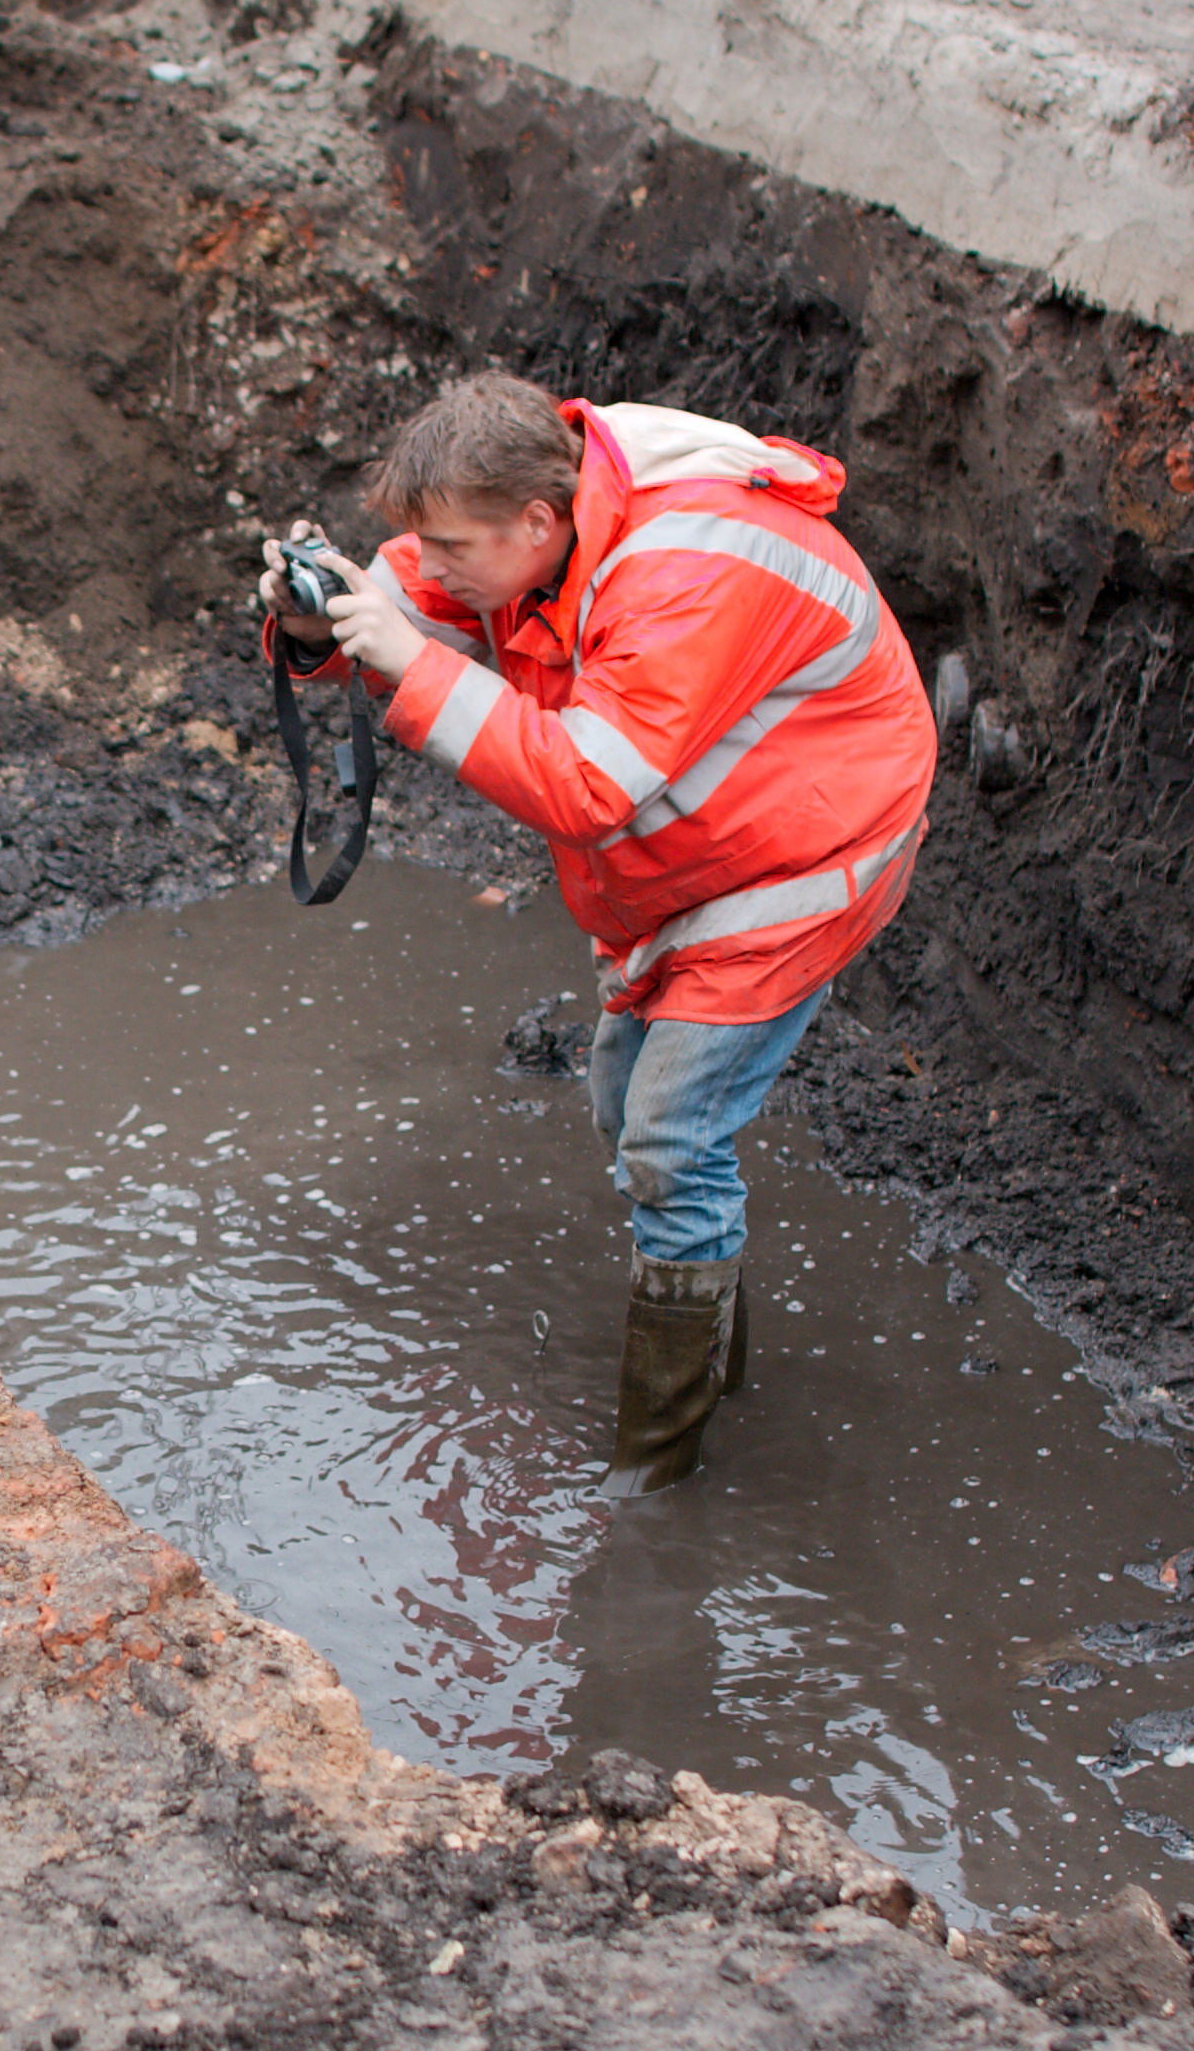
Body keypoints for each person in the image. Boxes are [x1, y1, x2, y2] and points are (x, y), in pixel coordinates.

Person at [261, 372, 934, 1496]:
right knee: (627, 1106)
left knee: (669, 1142)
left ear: (536, 522)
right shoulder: (536, 516)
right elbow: (403, 598)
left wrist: (414, 666)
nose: (432, 566)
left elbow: (588, 785)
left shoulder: (687, 572)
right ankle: (712, 1365)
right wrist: (312, 620)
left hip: (809, 850)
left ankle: (657, 1469)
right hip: (709, 836)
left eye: (451, 547)